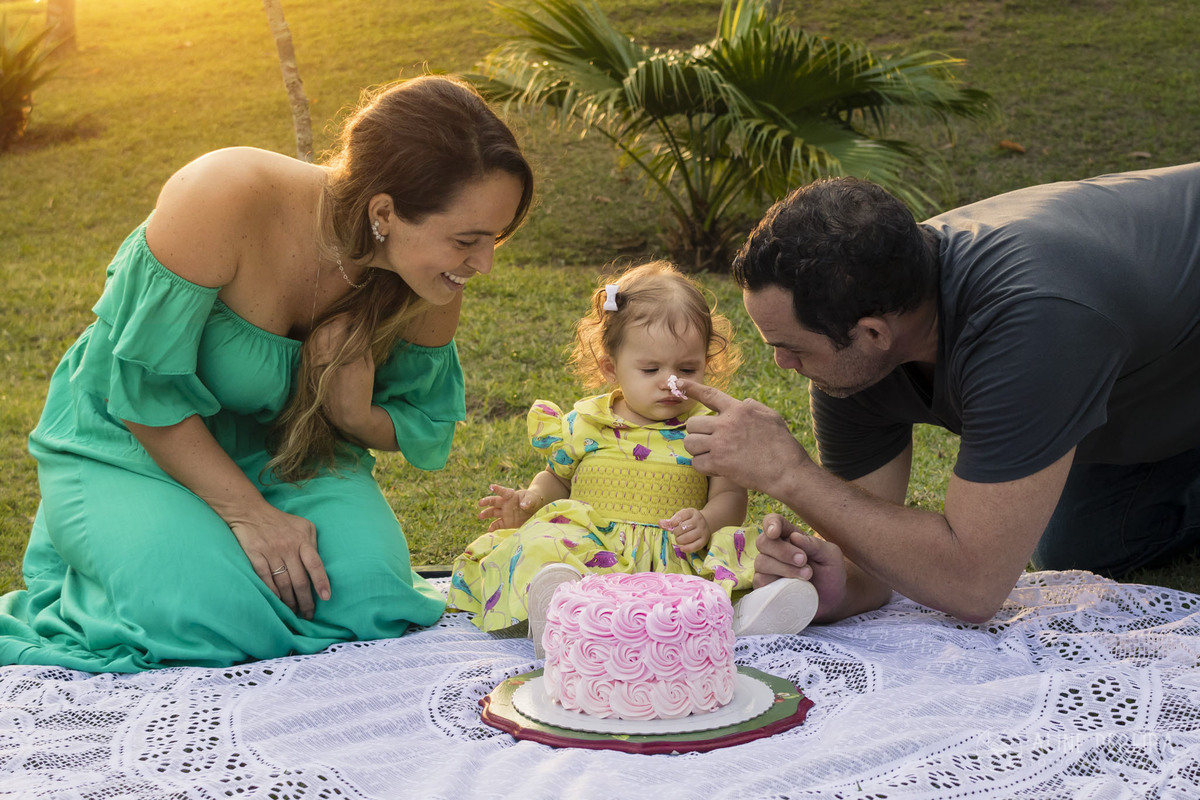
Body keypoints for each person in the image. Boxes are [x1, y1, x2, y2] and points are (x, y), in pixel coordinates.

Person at [0, 75, 534, 672]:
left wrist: (355, 414)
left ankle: (180, 561)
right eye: (468, 239)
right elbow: (141, 390)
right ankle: (99, 565)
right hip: (131, 437)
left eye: (495, 238)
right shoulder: (222, 196)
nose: (483, 263)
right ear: (384, 211)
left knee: (373, 592)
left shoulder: (431, 281)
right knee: (201, 613)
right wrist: (251, 516)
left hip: (281, 452)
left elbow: (419, 422)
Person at [678, 163, 1200, 626]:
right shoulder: (865, 315)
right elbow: (873, 552)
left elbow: (972, 584)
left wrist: (789, 473)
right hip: (1156, 375)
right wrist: (836, 582)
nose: (782, 364)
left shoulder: (1031, 321)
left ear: (873, 334)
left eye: (792, 348)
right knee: (1086, 544)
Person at [445, 261, 817, 654]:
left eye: (687, 368)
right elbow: (556, 478)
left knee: (748, 559)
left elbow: (730, 497)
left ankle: (741, 619)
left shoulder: (711, 428)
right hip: (594, 550)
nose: (671, 381)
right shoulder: (587, 422)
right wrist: (531, 500)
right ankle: (561, 615)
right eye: (651, 368)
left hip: (675, 556)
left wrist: (707, 521)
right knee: (544, 544)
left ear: (707, 363)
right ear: (611, 368)